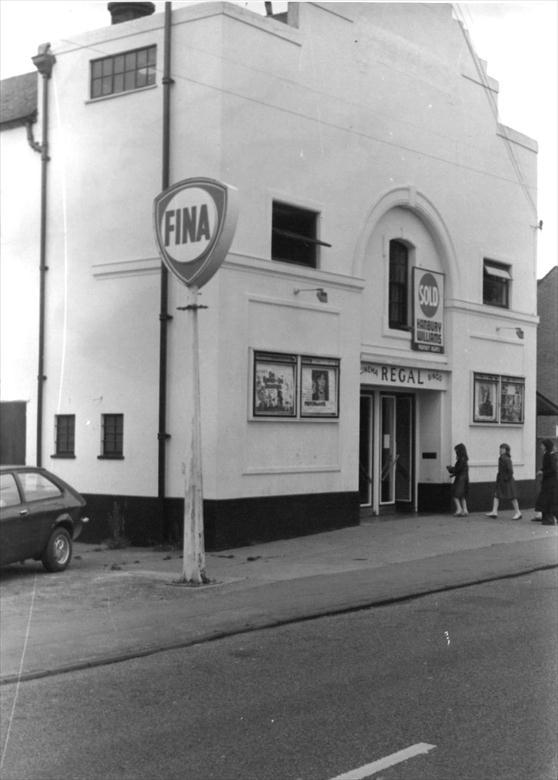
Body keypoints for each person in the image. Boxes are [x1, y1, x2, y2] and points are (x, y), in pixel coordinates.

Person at [486, 443, 522, 520]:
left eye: (502, 449)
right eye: (500, 448)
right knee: (497, 495)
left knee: (512, 497)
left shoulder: (505, 459)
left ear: (506, 450)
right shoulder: (503, 458)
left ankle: (518, 512)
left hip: (506, 480)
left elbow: (510, 471)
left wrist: (505, 478)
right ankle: (494, 511)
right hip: (503, 480)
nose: (500, 450)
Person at [537, 438, 558, 526]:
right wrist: (542, 470)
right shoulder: (547, 455)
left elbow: (553, 469)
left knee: (547, 499)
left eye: (542, 445)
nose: (541, 447)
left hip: (549, 482)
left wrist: (543, 472)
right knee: (550, 500)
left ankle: (548, 519)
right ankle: (549, 518)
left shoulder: (548, 455)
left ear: (545, 446)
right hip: (550, 481)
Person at [447, 443, 469, 516]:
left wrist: (450, 469)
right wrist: (453, 474)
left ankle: (459, 509)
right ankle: (465, 510)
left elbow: (457, 469)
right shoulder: (465, 459)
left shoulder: (461, 459)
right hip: (465, 478)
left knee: (455, 494)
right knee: (462, 495)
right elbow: (461, 469)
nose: (455, 452)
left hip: (460, 479)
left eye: (456, 450)